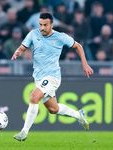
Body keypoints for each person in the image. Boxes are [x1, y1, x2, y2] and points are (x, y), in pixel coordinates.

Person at [11, 13, 93, 141]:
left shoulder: (60, 37)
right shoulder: (33, 34)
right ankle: (79, 115)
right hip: (38, 77)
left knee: (33, 97)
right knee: (53, 109)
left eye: (45, 25)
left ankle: (24, 132)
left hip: (52, 77)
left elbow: (78, 46)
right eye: (40, 24)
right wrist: (18, 52)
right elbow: (22, 47)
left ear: (52, 25)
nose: (42, 28)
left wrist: (85, 64)